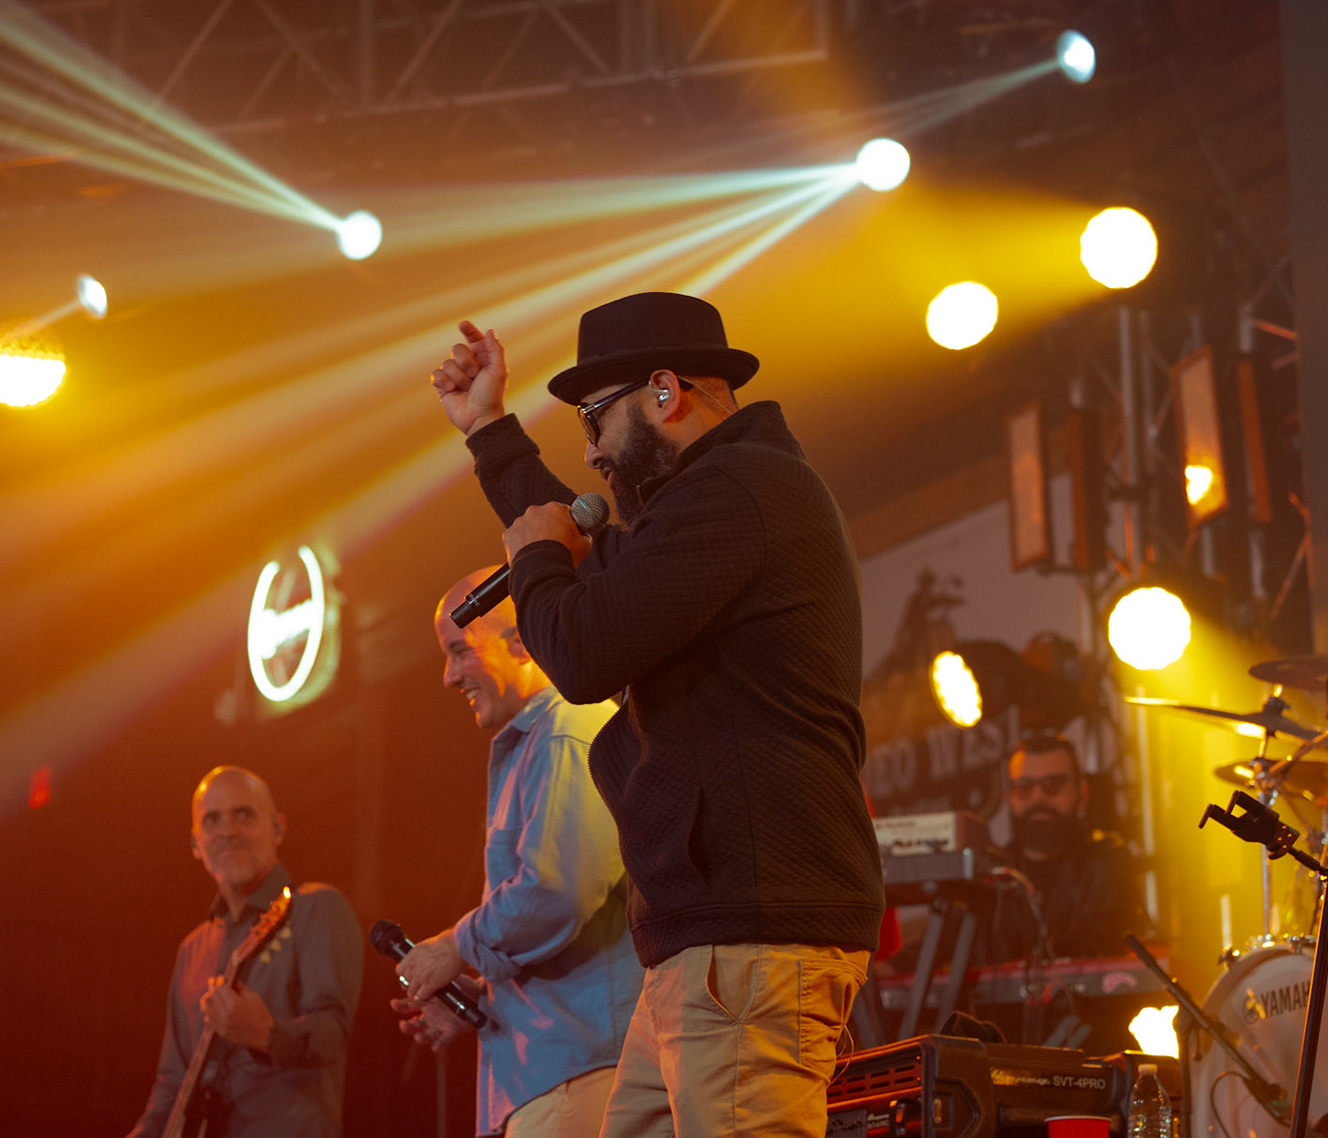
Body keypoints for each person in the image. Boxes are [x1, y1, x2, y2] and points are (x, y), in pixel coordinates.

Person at [429, 292, 885, 1138]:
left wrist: (536, 557)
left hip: (747, 938)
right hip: (710, 945)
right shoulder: (724, 497)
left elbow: (583, 651)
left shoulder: (741, 489)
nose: (591, 451)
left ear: (665, 393)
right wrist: (490, 431)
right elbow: (601, 567)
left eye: (595, 419)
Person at [389, 572, 643, 1138]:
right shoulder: (545, 737)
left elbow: (557, 892)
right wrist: (488, 998)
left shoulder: (568, 728)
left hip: (579, 1071)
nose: (449, 675)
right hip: (557, 1073)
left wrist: (454, 947)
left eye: (460, 650)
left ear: (522, 642)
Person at [127, 768, 362, 1138]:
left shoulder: (316, 908)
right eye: (212, 820)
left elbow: (333, 1033)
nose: (228, 831)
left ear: (278, 828)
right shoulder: (192, 948)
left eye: (244, 814)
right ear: (195, 843)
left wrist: (267, 1034)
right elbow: (173, 1082)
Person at [985, 733, 1143, 963]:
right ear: (1008, 797)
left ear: (1082, 794)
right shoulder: (989, 873)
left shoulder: (1107, 858)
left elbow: (1099, 935)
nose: (1038, 798)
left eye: (1053, 785)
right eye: (1024, 787)